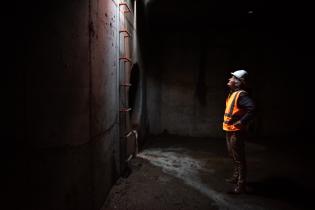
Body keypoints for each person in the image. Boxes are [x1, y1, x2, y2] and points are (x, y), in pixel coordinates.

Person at [223, 69, 255, 194]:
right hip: (229, 130)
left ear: (238, 82)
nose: (229, 79)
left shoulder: (241, 95)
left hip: (236, 132)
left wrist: (242, 122)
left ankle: (241, 185)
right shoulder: (232, 93)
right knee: (233, 155)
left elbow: (252, 108)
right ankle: (236, 177)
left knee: (239, 158)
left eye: (232, 78)